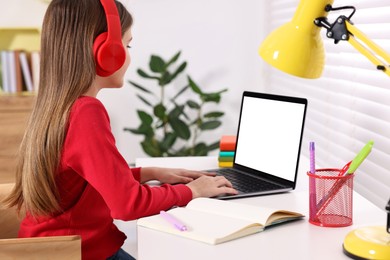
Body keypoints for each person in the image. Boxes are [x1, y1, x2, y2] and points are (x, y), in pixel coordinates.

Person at [3, 0, 237, 259]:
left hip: (48, 249)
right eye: (127, 45)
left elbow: (86, 179)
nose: (128, 54)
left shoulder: (56, 106)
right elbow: (127, 205)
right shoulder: (85, 112)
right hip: (76, 252)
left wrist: (148, 172)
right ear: (105, 51)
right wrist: (193, 191)